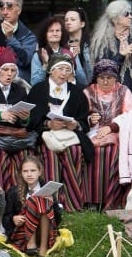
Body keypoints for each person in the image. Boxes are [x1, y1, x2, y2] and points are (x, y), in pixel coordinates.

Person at [27, 52, 94, 212]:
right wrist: (47, 123)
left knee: (75, 151)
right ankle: (53, 203)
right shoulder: (38, 90)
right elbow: (29, 120)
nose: (64, 73)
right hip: (46, 137)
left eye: (67, 70)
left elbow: (85, 121)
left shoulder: (77, 92)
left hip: (69, 137)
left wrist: (75, 125)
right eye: (60, 69)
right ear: (51, 70)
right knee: (50, 156)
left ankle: (73, 203)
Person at [0, 47, 35, 188]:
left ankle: (22, 197)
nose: (9, 74)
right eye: (5, 70)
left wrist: (25, 118)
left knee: (25, 156)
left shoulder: (20, 90)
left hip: (15, 136)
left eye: (13, 70)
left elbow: (26, 124)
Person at [84, 59, 132, 210]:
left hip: (118, 133)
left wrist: (112, 127)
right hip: (93, 133)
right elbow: (80, 115)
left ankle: (110, 200)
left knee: (110, 152)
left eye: (109, 77)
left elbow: (131, 115)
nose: (105, 81)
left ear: (115, 78)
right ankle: (92, 200)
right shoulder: (88, 92)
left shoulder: (123, 91)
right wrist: (89, 118)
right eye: (102, 78)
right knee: (91, 151)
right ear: (96, 78)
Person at [2, 154, 62, 257]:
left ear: (39, 172)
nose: (29, 174)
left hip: (44, 232)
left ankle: (42, 248)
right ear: (21, 173)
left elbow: (57, 219)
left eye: (33, 171)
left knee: (41, 200)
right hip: (23, 233)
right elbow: (5, 218)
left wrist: (52, 204)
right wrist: (13, 219)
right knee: (34, 200)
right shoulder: (13, 192)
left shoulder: (47, 189)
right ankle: (30, 243)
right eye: (25, 171)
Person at [89, 0, 132, 93]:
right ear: (114, 19)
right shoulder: (103, 42)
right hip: (111, 93)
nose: (130, 17)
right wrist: (121, 55)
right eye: (126, 14)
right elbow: (102, 71)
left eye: (131, 13)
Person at [0, 0, 38, 84]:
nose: (5, 12)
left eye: (10, 7)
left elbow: (24, 61)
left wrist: (10, 38)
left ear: (19, 10)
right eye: (2, 7)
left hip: (16, 82)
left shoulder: (29, 36)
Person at [31, 15, 66, 85]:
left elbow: (80, 78)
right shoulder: (38, 55)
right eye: (51, 31)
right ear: (45, 34)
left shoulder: (68, 52)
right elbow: (34, 83)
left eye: (57, 30)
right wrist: (45, 65)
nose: (54, 33)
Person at [62, 8, 93, 87]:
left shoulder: (92, 44)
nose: (68, 22)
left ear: (82, 24)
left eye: (72, 19)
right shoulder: (62, 46)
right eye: (66, 20)